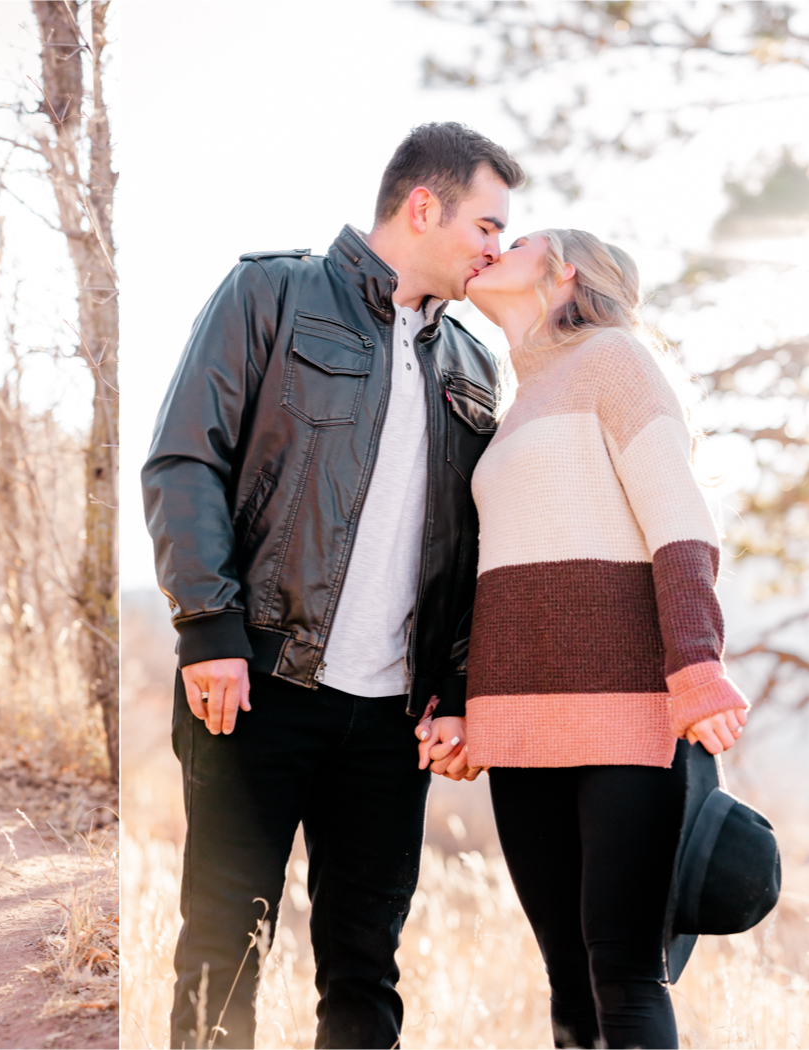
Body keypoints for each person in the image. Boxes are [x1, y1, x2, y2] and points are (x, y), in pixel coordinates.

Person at [141, 122, 525, 1049]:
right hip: (257, 685)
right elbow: (185, 461)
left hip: (392, 720)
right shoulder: (270, 294)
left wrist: (461, 690)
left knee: (364, 970)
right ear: (424, 205)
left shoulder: (473, 364)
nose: (495, 249)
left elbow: (475, 548)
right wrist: (208, 629)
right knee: (223, 950)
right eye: (486, 224)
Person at [448, 229, 750, 1049]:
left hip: (627, 713)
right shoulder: (517, 404)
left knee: (621, 969)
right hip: (519, 724)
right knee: (568, 979)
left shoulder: (615, 358)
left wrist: (696, 663)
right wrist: (463, 703)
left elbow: (682, 522)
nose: (489, 251)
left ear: (564, 269)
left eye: (513, 242)